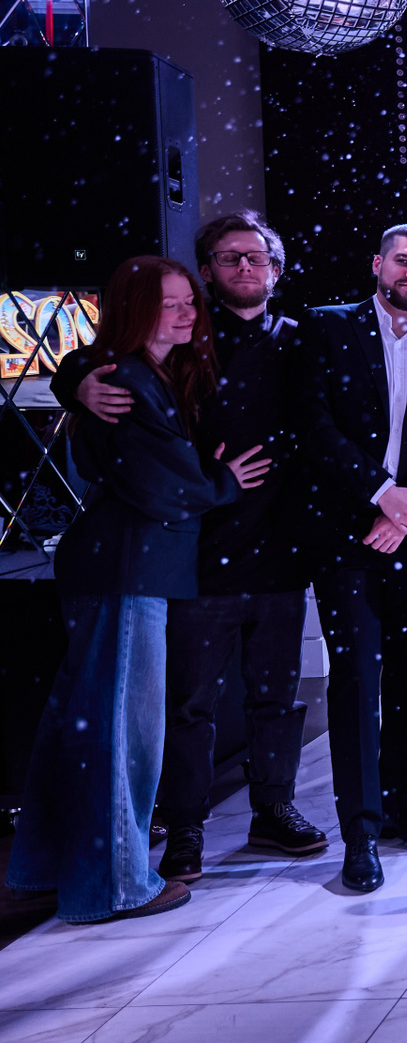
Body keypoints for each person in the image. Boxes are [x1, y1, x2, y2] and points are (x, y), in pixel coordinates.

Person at [54, 212, 327, 885]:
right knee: (188, 706)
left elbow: (372, 352)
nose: (244, 268)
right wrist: (75, 379)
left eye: (256, 257)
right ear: (208, 270)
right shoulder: (186, 336)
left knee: (277, 697)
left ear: (276, 268)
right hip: (200, 549)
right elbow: (106, 357)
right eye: (230, 258)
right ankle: (185, 829)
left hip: (281, 549)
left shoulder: (303, 337)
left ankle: (274, 810)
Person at [7, 257, 266, 923]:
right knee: (122, 736)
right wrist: (222, 483)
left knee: (79, 726)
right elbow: (161, 487)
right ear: (134, 309)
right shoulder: (123, 378)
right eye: (169, 303)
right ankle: (114, 886)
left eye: (189, 302)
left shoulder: (137, 373)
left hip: (119, 568)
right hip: (127, 570)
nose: (185, 313)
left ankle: (44, 870)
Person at [292, 223, 407, 892]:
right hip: (347, 536)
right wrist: (379, 496)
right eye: (402, 261)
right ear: (377, 264)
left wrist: (405, 510)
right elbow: (311, 426)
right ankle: (359, 834)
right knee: (357, 682)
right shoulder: (326, 326)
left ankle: (399, 809)